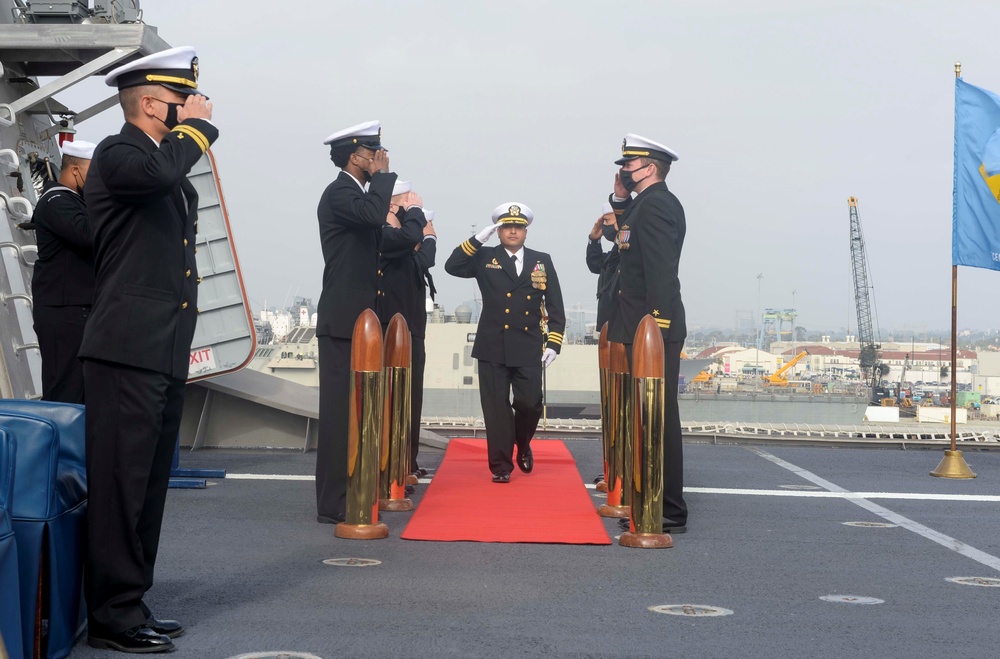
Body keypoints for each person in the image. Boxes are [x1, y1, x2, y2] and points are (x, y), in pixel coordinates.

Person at [79, 46, 217, 653]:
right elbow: (163, 176)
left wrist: (186, 134)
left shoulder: (156, 156)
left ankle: (132, 601)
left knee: (148, 486)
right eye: (183, 98)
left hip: (158, 348)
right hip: (125, 347)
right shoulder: (120, 152)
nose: (192, 104)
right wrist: (201, 129)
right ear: (155, 102)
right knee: (120, 485)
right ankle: (110, 615)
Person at [315, 121, 424, 523]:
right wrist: (385, 178)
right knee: (340, 417)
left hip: (363, 325)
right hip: (343, 323)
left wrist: (413, 217)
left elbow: (391, 240)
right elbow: (374, 214)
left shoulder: (360, 197)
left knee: (360, 415)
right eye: (372, 153)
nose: (380, 158)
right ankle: (333, 502)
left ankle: (356, 489)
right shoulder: (341, 193)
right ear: (354, 157)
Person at [445, 203, 565, 482]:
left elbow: (555, 304)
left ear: (526, 231)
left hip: (528, 344)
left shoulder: (541, 260)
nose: (513, 231)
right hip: (493, 345)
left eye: (518, 227)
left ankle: (522, 444)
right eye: (507, 227)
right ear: (498, 231)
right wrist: (478, 240)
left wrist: (554, 343)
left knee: (530, 403)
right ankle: (501, 466)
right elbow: (452, 266)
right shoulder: (484, 256)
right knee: (497, 409)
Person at [607, 134, 688, 535]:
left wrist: (655, 327)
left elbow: (660, 272)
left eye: (629, 165)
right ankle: (649, 496)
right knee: (643, 419)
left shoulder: (656, 206)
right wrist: (620, 200)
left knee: (657, 419)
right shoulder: (644, 205)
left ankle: (668, 508)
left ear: (649, 167)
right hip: (638, 327)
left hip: (651, 329)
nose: (623, 170)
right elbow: (624, 243)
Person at [29, 139, 97, 404]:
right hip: (64, 314)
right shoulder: (56, 200)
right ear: (76, 170)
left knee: (84, 394)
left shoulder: (75, 202)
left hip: (79, 312)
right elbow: (88, 234)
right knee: (65, 396)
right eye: (95, 173)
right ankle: (57, 446)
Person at [378, 181, 436, 480]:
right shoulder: (383, 237)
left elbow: (424, 262)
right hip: (392, 333)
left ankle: (406, 463)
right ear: (391, 206)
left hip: (412, 332)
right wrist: (425, 236)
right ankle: (393, 466)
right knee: (392, 402)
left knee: (410, 401)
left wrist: (427, 239)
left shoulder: (401, 244)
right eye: (407, 205)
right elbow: (417, 248)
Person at [585, 201, 621, 334]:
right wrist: (594, 240)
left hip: (623, 324)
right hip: (609, 325)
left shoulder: (629, 251)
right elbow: (595, 265)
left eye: (607, 221)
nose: (604, 226)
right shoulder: (614, 253)